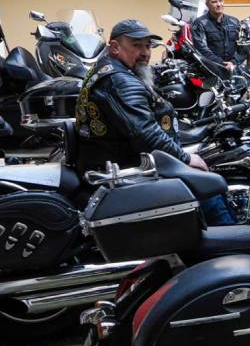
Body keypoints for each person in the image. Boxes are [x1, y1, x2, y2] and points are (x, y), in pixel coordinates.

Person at [74, 19, 235, 225]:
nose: (145, 52)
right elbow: (145, 133)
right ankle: (232, 246)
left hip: (117, 160)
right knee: (207, 187)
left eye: (148, 45)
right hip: (127, 169)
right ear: (114, 47)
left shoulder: (109, 70)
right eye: (136, 45)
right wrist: (184, 159)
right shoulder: (119, 80)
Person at [191, 0, 241, 71]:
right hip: (211, 69)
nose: (219, 4)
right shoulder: (200, 23)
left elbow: (241, 46)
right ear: (207, 4)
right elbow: (202, 48)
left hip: (234, 67)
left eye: (220, 1)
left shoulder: (234, 21)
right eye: (214, 2)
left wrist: (234, 62)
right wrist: (222, 63)